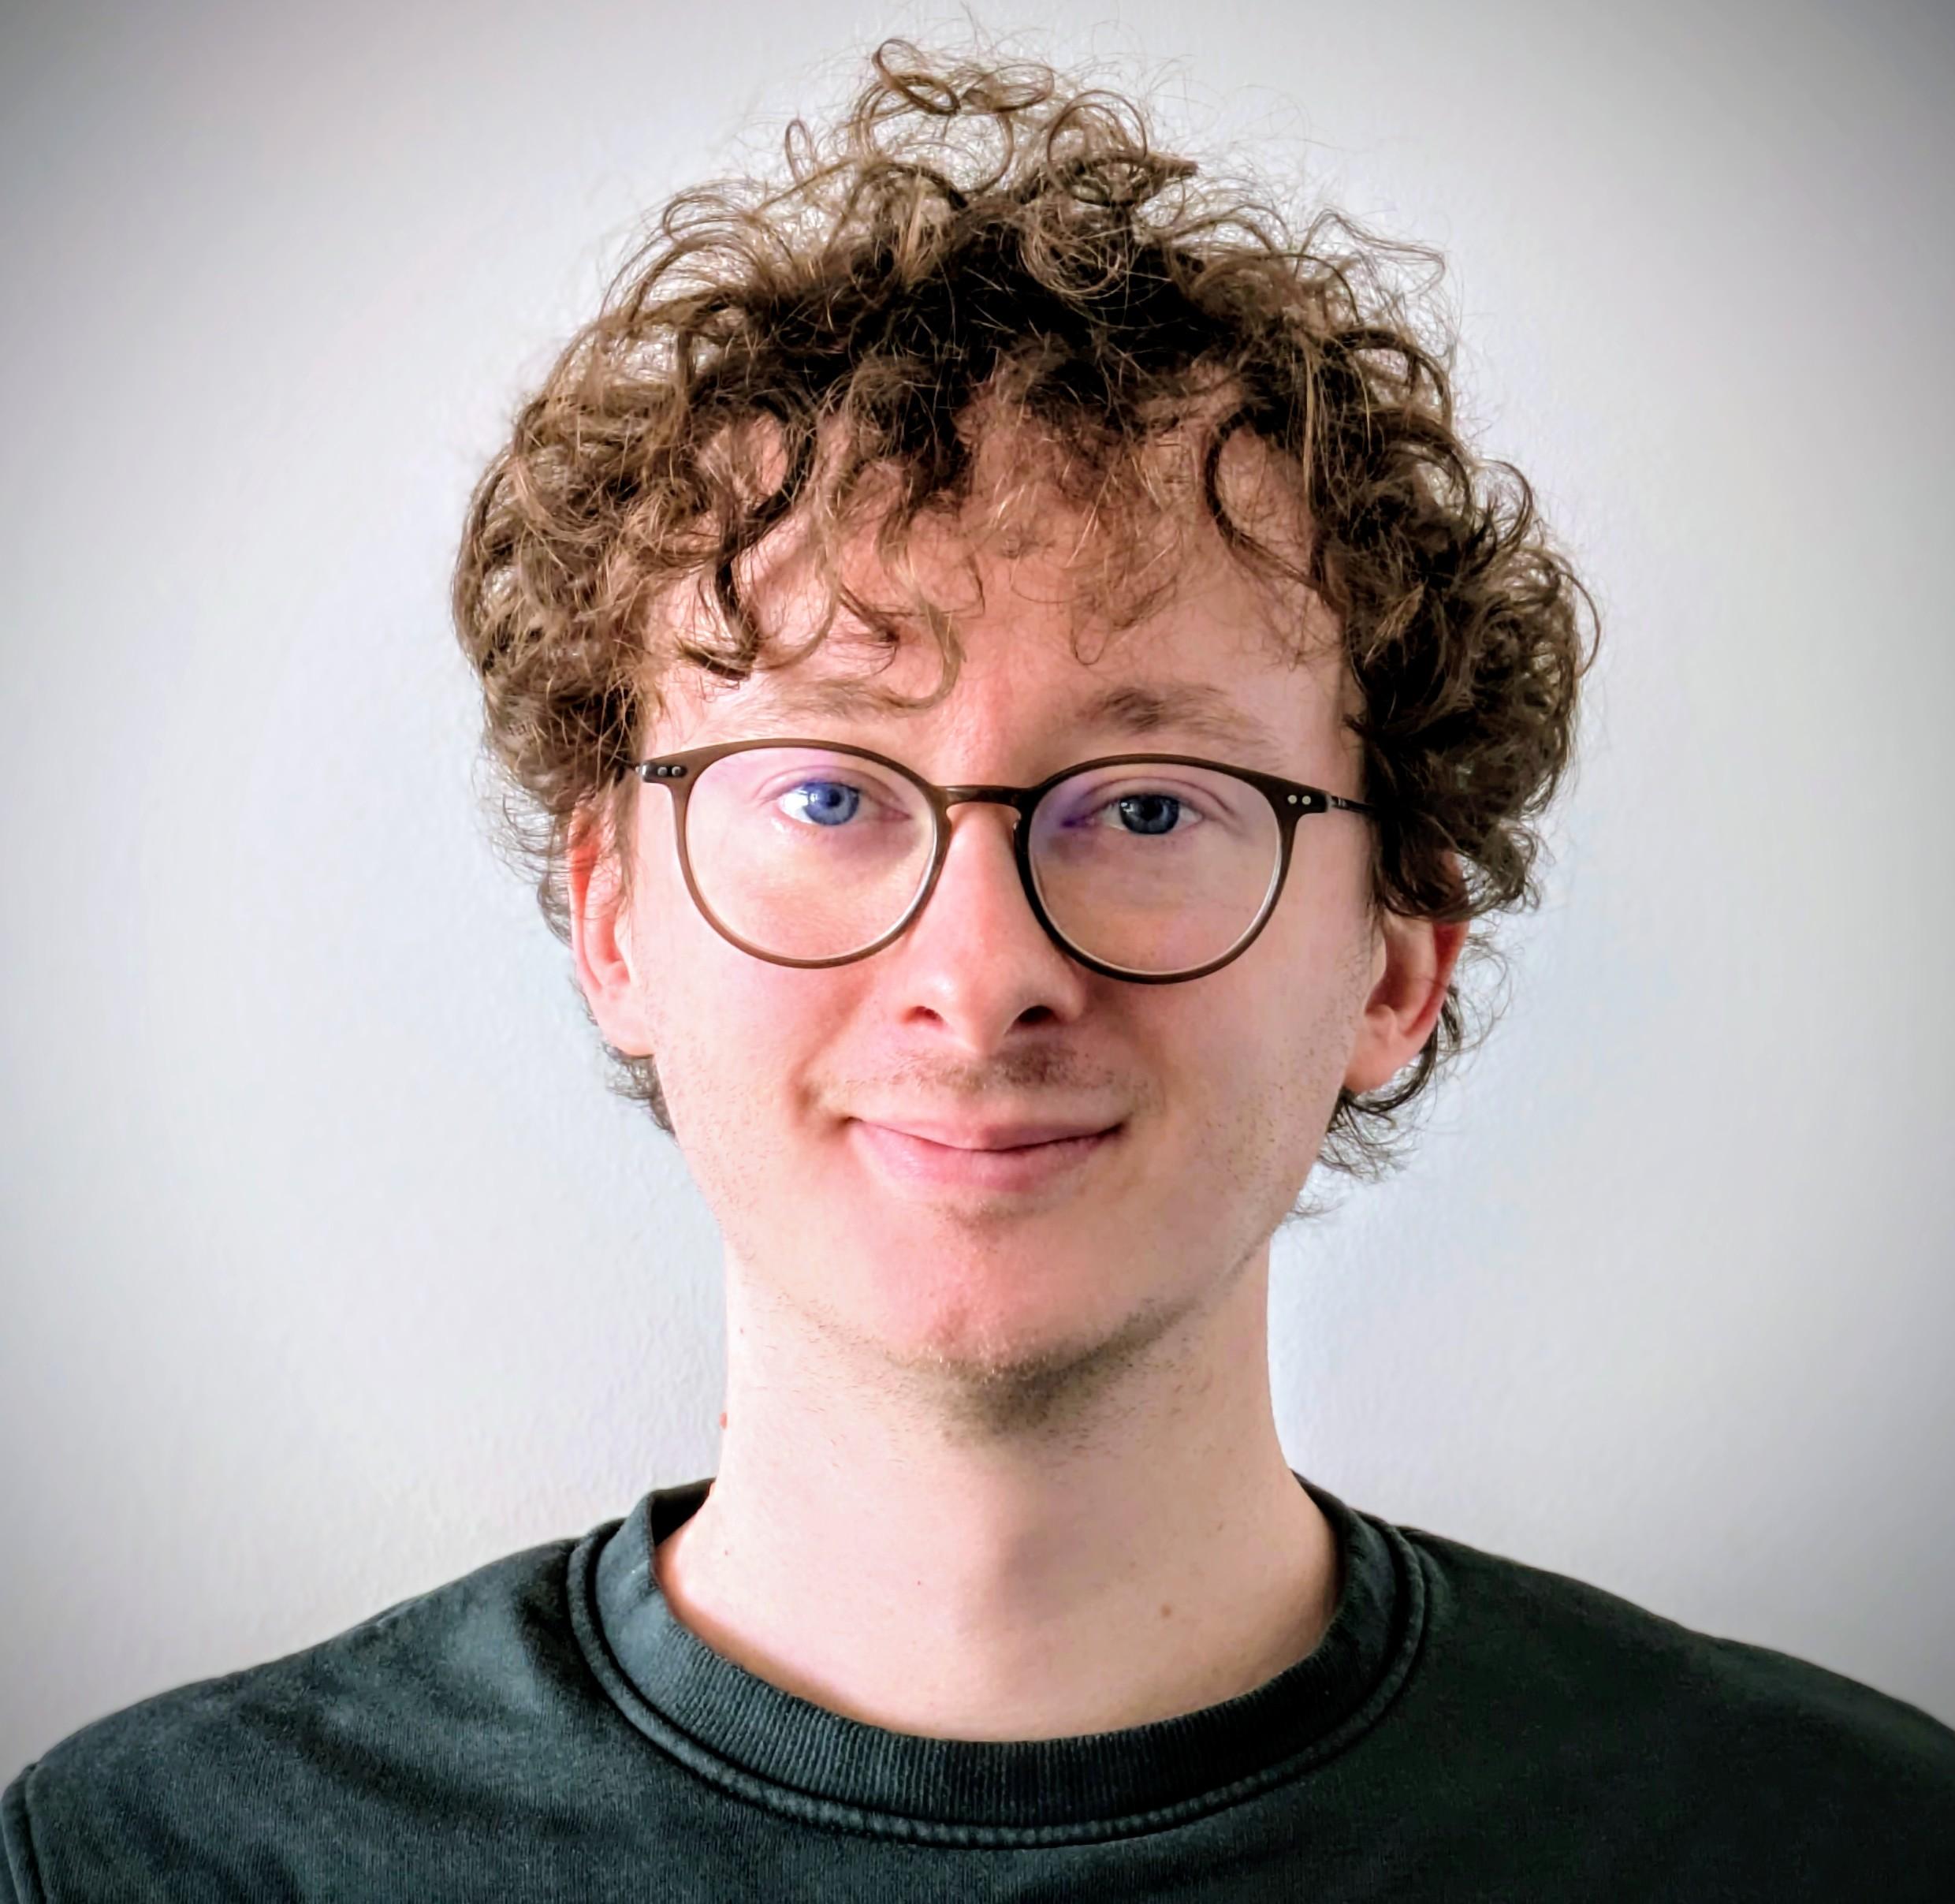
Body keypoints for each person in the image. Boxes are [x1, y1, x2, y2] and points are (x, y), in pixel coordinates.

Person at [6, 39, 1952, 1902]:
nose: (983, 966)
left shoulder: (1843, 1851)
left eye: (1154, 804)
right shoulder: (147, 1864)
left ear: (1395, 961)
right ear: (612, 919)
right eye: (829, 788)